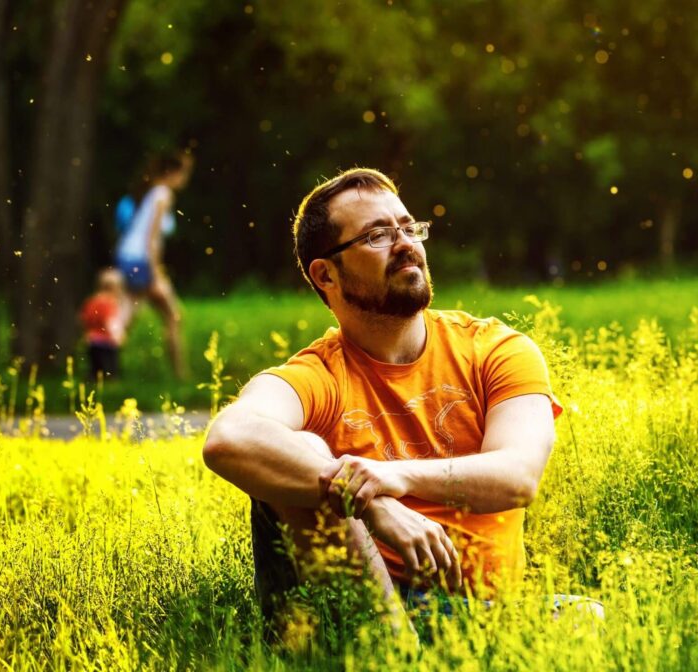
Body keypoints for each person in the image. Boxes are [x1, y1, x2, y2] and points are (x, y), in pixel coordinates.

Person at [202, 168, 562, 631]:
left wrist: (388, 478)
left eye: (409, 227)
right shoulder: (320, 375)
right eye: (377, 235)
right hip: (366, 608)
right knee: (304, 450)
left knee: (586, 620)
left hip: (488, 616)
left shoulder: (495, 349)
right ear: (326, 274)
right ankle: (391, 654)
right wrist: (370, 503)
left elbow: (518, 475)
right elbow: (228, 438)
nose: (406, 243)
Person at [115, 151, 194, 378]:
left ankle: (106, 366)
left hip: (128, 257)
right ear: (172, 172)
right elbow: (152, 237)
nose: (185, 178)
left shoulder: (152, 192)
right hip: (141, 260)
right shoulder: (163, 194)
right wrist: (156, 271)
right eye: (184, 172)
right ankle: (181, 376)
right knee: (173, 315)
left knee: (127, 315)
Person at [78, 267, 127, 380]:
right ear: (114, 288)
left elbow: (82, 318)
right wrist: (118, 336)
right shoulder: (109, 303)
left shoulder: (92, 301)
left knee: (95, 367)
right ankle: (109, 386)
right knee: (109, 369)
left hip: (92, 340)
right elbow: (110, 321)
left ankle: (92, 382)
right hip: (106, 342)